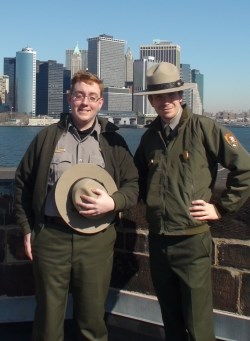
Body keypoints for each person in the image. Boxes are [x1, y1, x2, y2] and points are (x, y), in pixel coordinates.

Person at [15, 70, 138, 341]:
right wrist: (26, 228)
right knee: (47, 322)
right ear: (69, 98)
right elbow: (23, 183)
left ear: (100, 103)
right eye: (79, 95)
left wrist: (113, 201)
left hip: (96, 242)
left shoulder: (114, 142)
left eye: (92, 97)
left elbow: (132, 186)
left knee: (92, 322)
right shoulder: (47, 138)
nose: (85, 102)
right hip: (51, 238)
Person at [134, 62, 250, 341]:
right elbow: (135, 179)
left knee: (198, 325)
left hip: (191, 240)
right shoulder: (150, 137)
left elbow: (245, 168)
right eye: (158, 96)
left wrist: (221, 207)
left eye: (171, 94)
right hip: (159, 239)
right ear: (151, 100)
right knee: (170, 320)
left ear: (181, 96)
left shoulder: (204, 128)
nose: (165, 101)